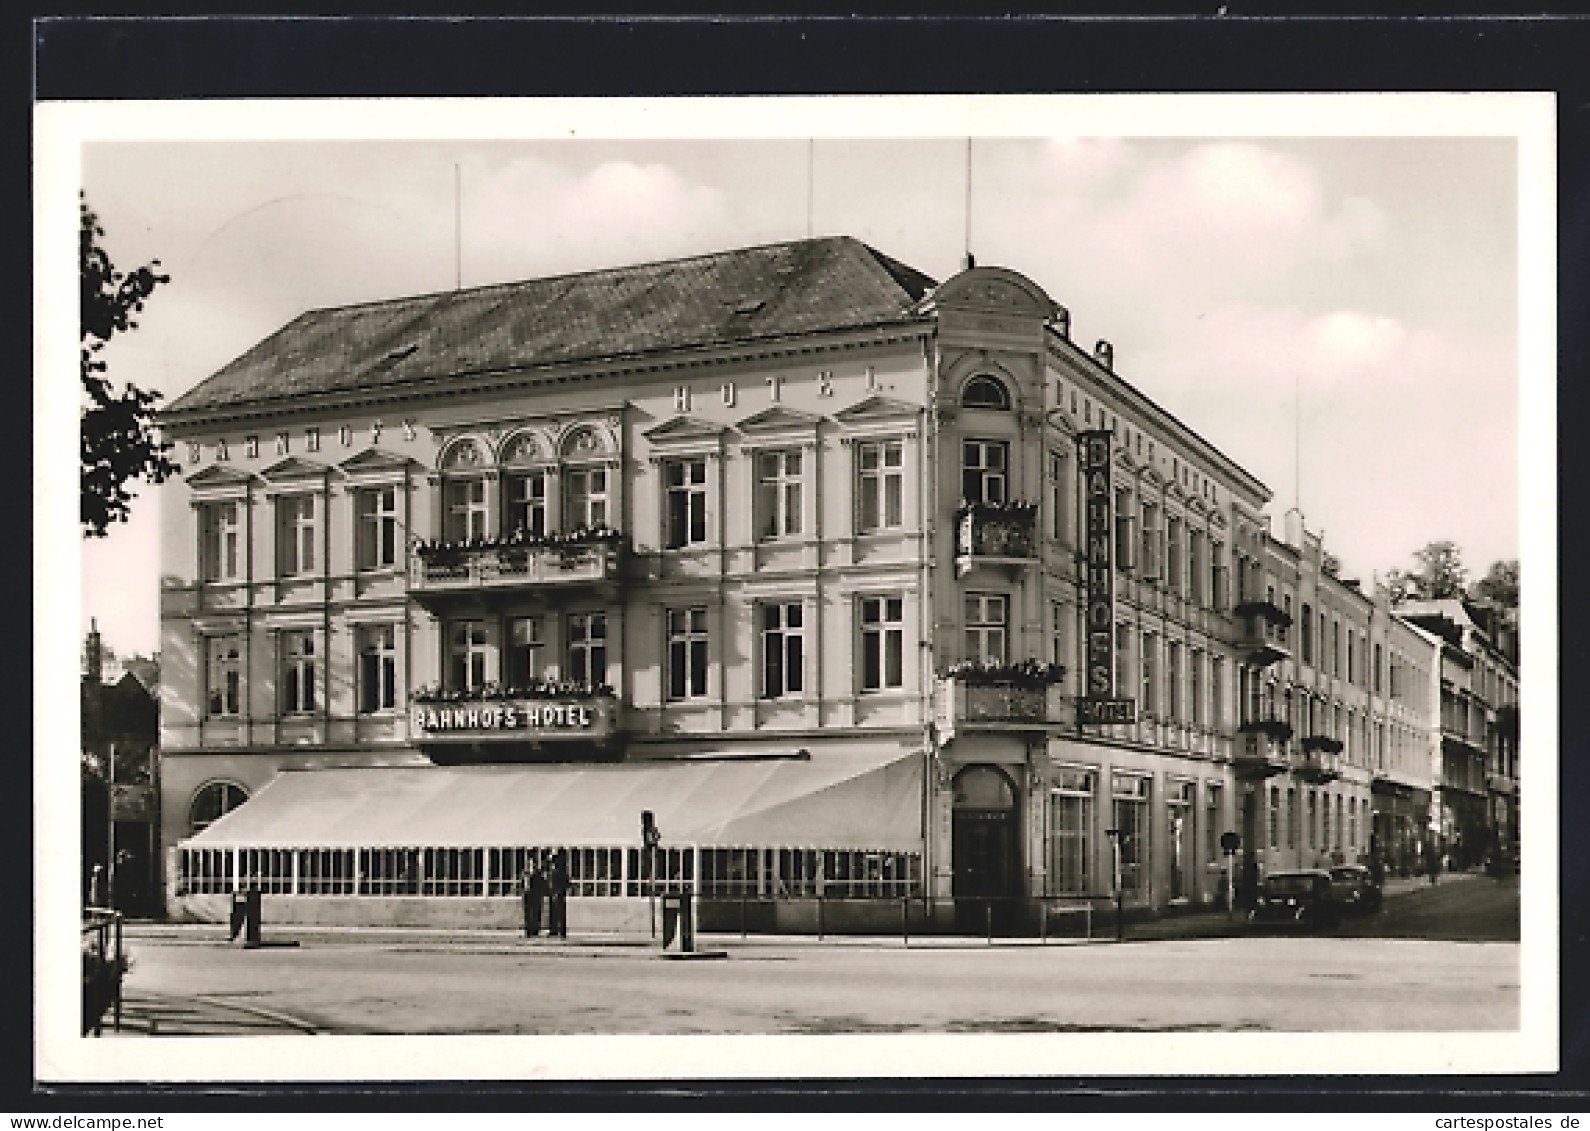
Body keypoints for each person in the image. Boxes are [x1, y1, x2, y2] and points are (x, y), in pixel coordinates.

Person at [546, 849, 570, 938]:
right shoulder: (553, 871)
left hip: (558, 893)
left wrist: (560, 891)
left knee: (559, 912)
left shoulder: (560, 871)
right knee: (554, 912)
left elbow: (566, 883)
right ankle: (554, 930)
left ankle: (560, 930)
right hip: (553, 893)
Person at [521, 861, 547, 938]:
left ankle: (535, 929)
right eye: (530, 865)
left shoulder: (538, 874)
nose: (531, 867)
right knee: (528, 913)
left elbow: (542, 884)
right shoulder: (525, 874)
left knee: (536, 913)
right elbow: (523, 884)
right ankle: (528, 930)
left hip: (536, 895)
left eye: (533, 865)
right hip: (528, 895)